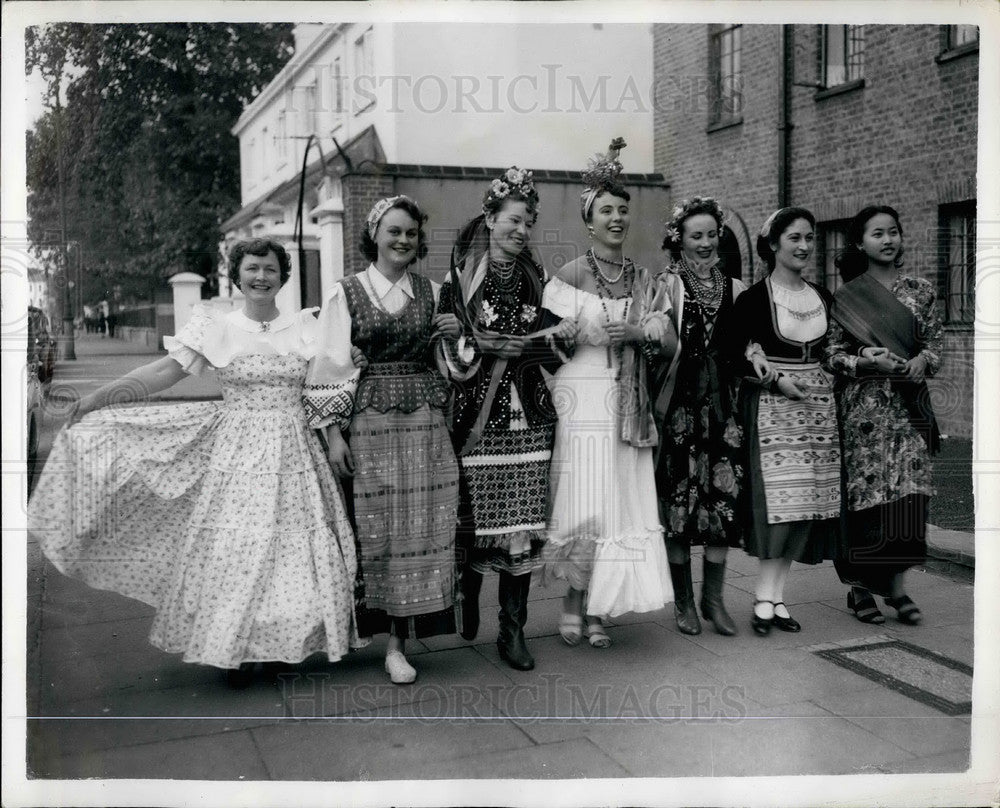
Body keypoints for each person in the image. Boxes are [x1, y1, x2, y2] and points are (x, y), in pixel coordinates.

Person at [28, 238, 361, 686]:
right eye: (251, 269)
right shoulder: (216, 327)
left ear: (283, 277)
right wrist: (94, 400)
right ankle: (235, 645)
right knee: (235, 547)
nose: (260, 277)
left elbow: (328, 381)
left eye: (269, 269)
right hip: (236, 454)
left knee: (290, 548)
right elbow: (163, 373)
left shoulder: (307, 327)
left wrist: (354, 362)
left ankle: (280, 642)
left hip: (295, 452)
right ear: (237, 276)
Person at [305, 195, 463, 684]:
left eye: (411, 233)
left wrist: (456, 334)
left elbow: (454, 367)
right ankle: (367, 633)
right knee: (377, 528)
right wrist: (333, 436)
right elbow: (327, 367)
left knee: (422, 525)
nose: (402, 240)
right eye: (393, 231)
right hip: (369, 420)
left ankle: (399, 643)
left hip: (424, 420)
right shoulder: (344, 293)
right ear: (373, 235)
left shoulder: (434, 292)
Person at [541, 139, 676, 649]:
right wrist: (569, 335)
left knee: (619, 496)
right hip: (583, 392)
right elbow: (546, 345)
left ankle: (602, 608)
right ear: (589, 220)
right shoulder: (571, 274)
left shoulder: (644, 279)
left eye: (622, 209)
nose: (616, 218)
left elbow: (669, 340)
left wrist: (639, 334)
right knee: (586, 494)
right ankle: (573, 602)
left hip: (629, 398)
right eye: (606, 211)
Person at [437, 167, 571, 671]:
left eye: (528, 222)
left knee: (522, 523)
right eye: (513, 219)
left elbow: (557, 347)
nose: (521, 230)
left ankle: (512, 630)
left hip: (529, 417)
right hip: (477, 417)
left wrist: (527, 345)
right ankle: (469, 594)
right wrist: (474, 342)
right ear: (490, 219)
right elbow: (448, 349)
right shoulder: (460, 280)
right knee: (475, 520)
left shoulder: (543, 283)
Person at [726, 207, 842, 636]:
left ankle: (776, 598)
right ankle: (762, 597)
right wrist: (775, 381)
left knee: (804, 508)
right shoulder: (754, 300)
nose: (805, 246)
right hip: (775, 407)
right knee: (778, 505)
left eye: (809, 238)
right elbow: (731, 354)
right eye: (794, 238)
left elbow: (833, 351)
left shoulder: (822, 298)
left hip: (818, 409)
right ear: (773, 244)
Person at [824, 205, 942, 625]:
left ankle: (896, 588)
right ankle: (859, 589)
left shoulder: (922, 291)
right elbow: (831, 355)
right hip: (864, 413)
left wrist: (921, 361)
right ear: (860, 242)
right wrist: (865, 361)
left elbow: (935, 346)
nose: (888, 240)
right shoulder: (848, 296)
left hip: (910, 409)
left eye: (893, 232)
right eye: (878, 233)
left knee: (910, 500)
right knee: (867, 501)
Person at [654, 197, 746, 637]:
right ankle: (685, 602)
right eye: (697, 235)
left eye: (712, 234)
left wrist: (757, 354)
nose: (707, 242)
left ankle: (714, 599)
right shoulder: (664, 286)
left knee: (721, 506)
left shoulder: (738, 289)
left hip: (722, 413)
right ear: (680, 240)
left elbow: (748, 345)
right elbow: (654, 347)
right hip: (680, 413)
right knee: (678, 508)